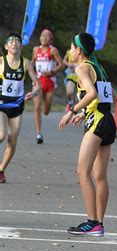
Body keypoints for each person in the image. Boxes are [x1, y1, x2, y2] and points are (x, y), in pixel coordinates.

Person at [58, 33, 116, 237]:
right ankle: (99, 223)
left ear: (79, 50)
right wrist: (85, 112)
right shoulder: (98, 67)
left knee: (82, 173)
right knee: (99, 176)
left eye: (71, 47)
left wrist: (72, 111)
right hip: (107, 120)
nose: (70, 50)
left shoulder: (82, 67)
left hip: (98, 121)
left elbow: (91, 93)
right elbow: (107, 96)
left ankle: (92, 222)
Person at [0, 32, 40, 183]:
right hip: (2, 104)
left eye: (17, 41)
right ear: (6, 46)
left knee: (12, 141)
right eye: (11, 41)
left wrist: (34, 93)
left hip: (17, 105)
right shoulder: (1, 62)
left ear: (21, 46)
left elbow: (37, 84)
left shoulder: (26, 63)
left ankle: (1, 170)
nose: (14, 43)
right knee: (1, 135)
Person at [32, 28, 63, 144]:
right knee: (37, 107)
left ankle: (45, 110)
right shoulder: (36, 49)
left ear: (50, 39)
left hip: (49, 82)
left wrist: (51, 72)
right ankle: (38, 133)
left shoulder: (53, 51)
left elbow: (61, 65)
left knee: (46, 110)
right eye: (42, 36)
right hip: (38, 81)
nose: (43, 38)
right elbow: (32, 62)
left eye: (46, 36)